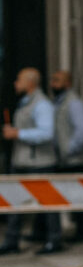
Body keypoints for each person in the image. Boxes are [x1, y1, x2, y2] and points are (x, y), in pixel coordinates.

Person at [0, 67, 62, 254]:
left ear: (30, 82)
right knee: (15, 201)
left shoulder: (41, 104)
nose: (15, 84)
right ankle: (12, 240)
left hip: (40, 162)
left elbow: (46, 133)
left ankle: (54, 240)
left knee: (49, 204)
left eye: (19, 80)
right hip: (23, 161)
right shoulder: (25, 103)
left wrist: (18, 133)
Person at [51, 69, 83, 242]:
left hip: (73, 159)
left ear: (67, 83)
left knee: (77, 197)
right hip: (63, 158)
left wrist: (68, 149)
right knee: (65, 196)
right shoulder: (58, 102)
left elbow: (82, 130)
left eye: (57, 80)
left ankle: (82, 232)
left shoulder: (73, 102)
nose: (53, 84)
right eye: (52, 80)